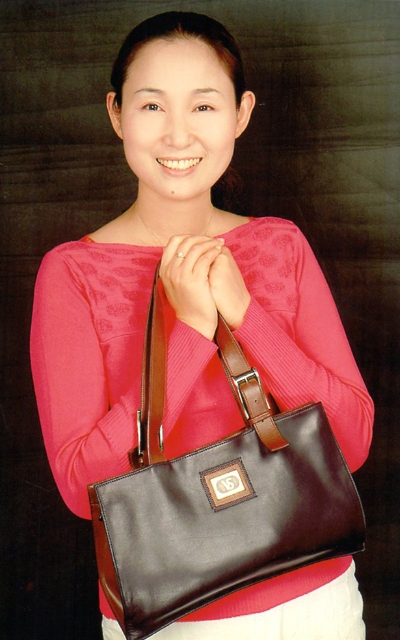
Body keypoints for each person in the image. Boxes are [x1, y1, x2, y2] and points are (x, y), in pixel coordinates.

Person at [30, 11, 374, 640]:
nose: (178, 133)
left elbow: (351, 442)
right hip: (172, 615)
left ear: (241, 114)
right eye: (152, 106)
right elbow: (83, 489)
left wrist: (245, 316)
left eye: (204, 106)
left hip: (317, 601)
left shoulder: (280, 245)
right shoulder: (72, 273)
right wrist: (189, 333)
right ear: (116, 113)